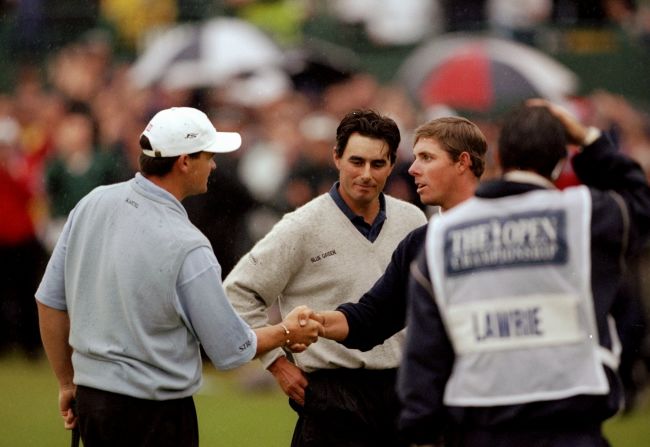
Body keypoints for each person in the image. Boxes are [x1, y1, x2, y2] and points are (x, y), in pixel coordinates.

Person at [35, 107, 323, 447]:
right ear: (184, 161)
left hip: (93, 402)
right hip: (155, 415)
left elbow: (50, 302)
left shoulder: (92, 203)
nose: (214, 165)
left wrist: (68, 384)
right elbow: (230, 349)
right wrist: (287, 331)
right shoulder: (188, 244)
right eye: (209, 156)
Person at [398, 100, 650, 447]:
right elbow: (638, 196)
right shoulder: (584, 214)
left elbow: (424, 351)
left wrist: (421, 430)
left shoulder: (442, 233)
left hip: (479, 424)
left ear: (499, 158)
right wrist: (588, 139)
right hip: (571, 422)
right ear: (561, 162)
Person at [223, 109, 427, 447]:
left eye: (377, 164)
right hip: (331, 397)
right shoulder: (301, 226)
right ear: (336, 158)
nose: (366, 174)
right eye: (356, 161)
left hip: (400, 391)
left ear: (392, 164)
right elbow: (237, 293)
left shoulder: (412, 221)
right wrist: (275, 363)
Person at [316, 116, 488, 350]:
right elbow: (372, 318)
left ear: (462, 162)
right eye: (416, 158)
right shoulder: (419, 243)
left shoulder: (504, 232)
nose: (413, 169)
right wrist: (315, 324)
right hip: (443, 384)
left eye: (427, 157)